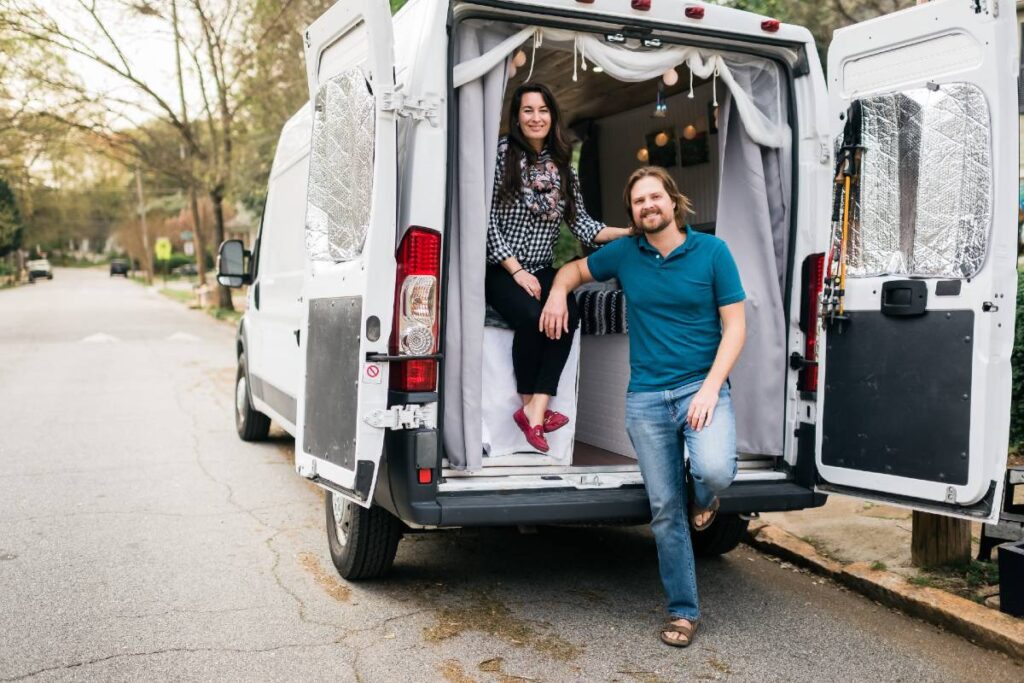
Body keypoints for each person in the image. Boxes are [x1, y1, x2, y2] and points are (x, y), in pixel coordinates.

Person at [539, 166, 746, 647]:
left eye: (655, 197)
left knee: (716, 471)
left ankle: (706, 495)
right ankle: (683, 611)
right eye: (638, 202)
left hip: (702, 387)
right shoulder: (626, 253)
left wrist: (712, 388)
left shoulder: (713, 253)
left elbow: (735, 326)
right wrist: (556, 292)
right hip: (647, 399)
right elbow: (574, 269)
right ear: (632, 214)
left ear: (673, 202)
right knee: (664, 509)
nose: (648, 206)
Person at [486, 83, 631, 453]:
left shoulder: (564, 165)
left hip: (541, 265)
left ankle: (536, 409)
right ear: (517, 117)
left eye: (543, 110)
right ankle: (530, 408)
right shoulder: (501, 154)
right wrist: (516, 271)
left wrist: (629, 232)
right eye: (528, 110)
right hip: (501, 267)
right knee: (534, 316)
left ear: (553, 116)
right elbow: (484, 221)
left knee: (571, 308)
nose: (536, 118)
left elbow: (583, 224)